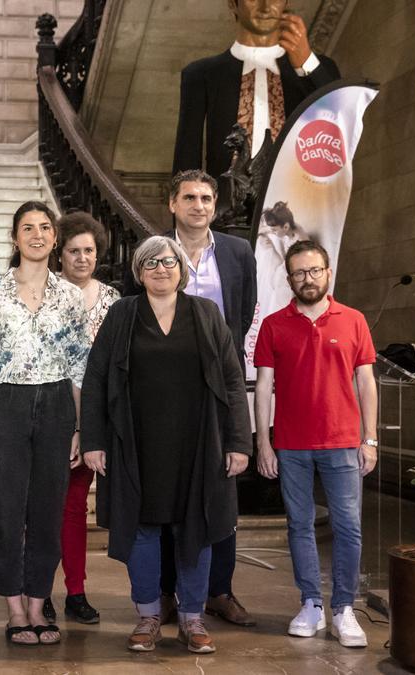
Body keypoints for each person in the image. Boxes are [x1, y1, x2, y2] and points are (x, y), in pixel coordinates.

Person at [81, 236, 252, 654]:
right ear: (139, 272)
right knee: (142, 529)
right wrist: (94, 440)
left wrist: (238, 442)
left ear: (182, 269)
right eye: (151, 262)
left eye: (169, 261)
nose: (161, 268)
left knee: (197, 528)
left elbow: (232, 381)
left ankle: (193, 619)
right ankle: (148, 616)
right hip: (135, 444)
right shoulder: (123, 313)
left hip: (198, 444)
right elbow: (97, 378)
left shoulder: (206, 313)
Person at [0, 202, 91, 646]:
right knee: (6, 511)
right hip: (7, 404)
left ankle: (39, 603)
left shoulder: (71, 297)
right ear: (15, 237)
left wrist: (79, 426)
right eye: (27, 228)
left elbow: (80, 365)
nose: (37, 235)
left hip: (58, 404)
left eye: (44, 228)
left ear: (55, 238)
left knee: (47, 510)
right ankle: (14, 607)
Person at [253, 240, 377, 648]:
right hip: (291, 444)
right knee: (299, 526)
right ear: (289, 279)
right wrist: (264, 444)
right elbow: (265, 388)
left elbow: (366, 384)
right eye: (299, 273)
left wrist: (370, 439)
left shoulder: (354, 320)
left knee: (348, 527)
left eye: (315, 271)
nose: (308, 279)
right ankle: (310, 603)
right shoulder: (273, 325)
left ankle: (343, 608)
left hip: (343, 443)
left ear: (328, 272)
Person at [159, 169, 259, 628]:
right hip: (164, 390)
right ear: (172, 205)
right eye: (189, 198)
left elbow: (240, 316)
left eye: (206, 198)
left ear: (214, 205)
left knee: (222, 491)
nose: (198, 205)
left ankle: (219, 590)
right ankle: (164, 593)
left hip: (220, 387)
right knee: (166, 490)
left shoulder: (238, 252)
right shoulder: (155, 252)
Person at [171, 0, 339, 208]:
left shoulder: (315, 70)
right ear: (233, 4)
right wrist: (183, 232)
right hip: (225, 217)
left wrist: (307, 63)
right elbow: (187, 158)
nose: (266, 6)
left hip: (300, 212)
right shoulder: (201, 74)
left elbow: (342, 126)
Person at [42, 212, 119, 626]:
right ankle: (40, 588)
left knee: (74, 508)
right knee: (43, 508)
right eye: (74, 250)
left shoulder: (113, 300)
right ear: (60, 253)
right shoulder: (44, 294)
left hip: (93, 417)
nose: (83, 257)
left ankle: (75, 590)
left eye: (89, 250)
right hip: (49, 412)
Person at [254, 201, 309, 316]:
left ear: (285, 227)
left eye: (275, 230)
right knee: (265, 241)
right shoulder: (288, 227)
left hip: (293, 273)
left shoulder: (299, 242)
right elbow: (269, 229)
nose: (273, 232)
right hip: (287, 264)